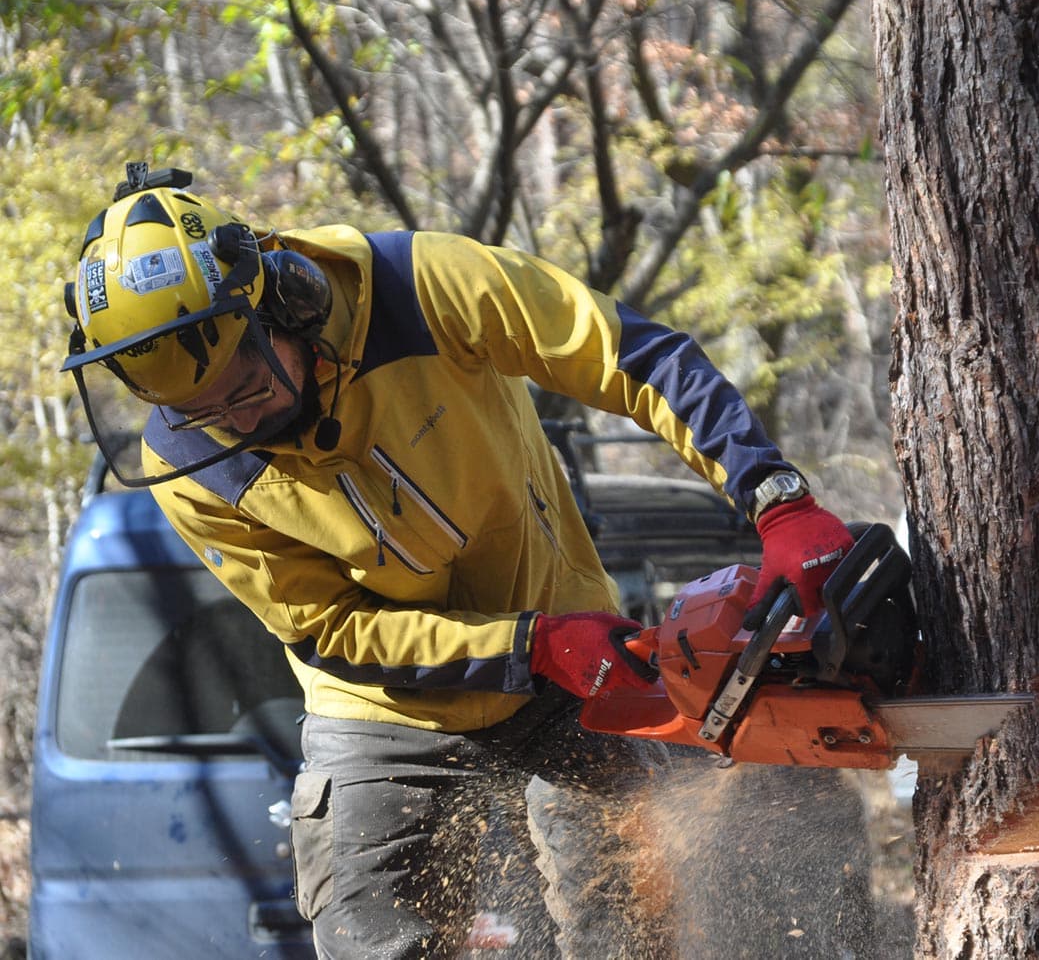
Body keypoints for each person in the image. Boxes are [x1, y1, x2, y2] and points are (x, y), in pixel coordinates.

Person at [61, 162, 857, 959]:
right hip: (384, 710)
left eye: (243, 392)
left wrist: (776, 499)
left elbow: (627, 355)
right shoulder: (186, 463)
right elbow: (331, 632)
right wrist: (523, 644)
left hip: (571, 659)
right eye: (203, 414)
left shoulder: (421, 289)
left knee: (630, 917)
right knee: (371, 929)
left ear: (280, 299)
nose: (236, 426)